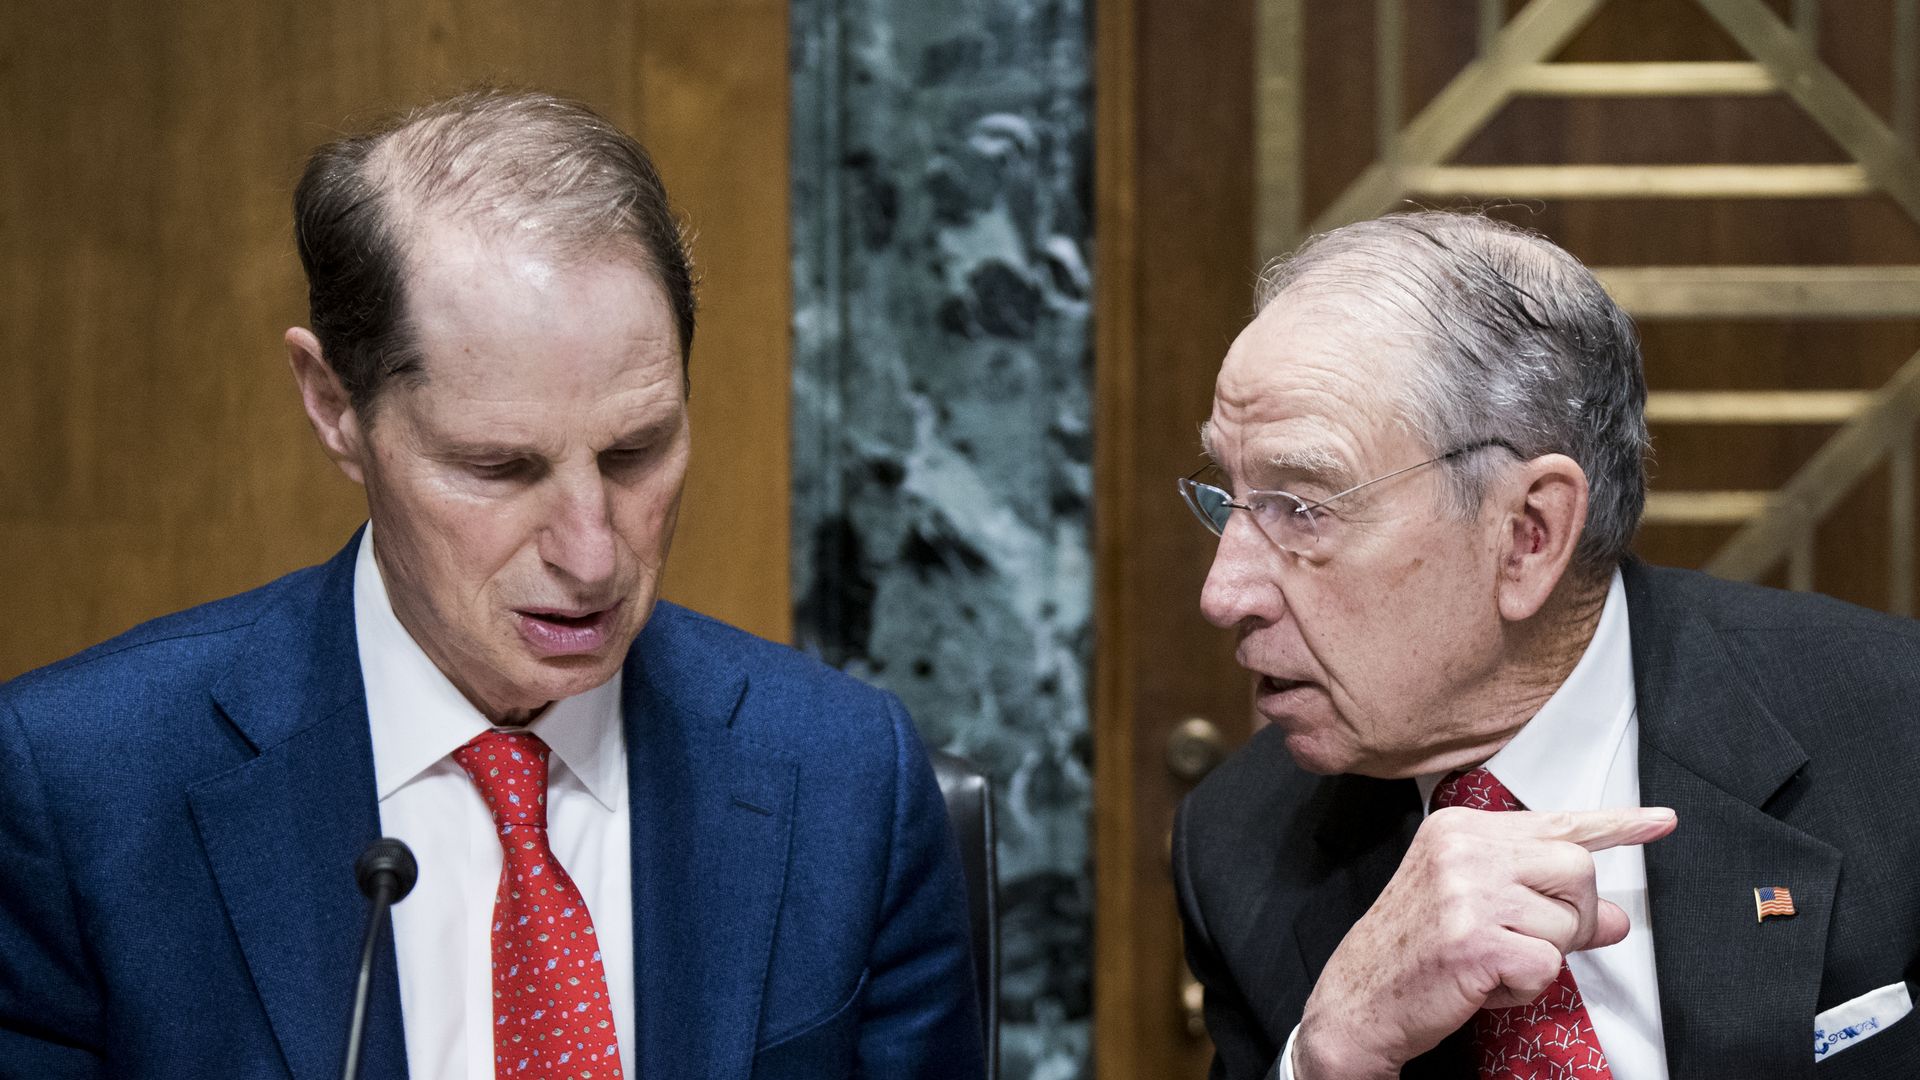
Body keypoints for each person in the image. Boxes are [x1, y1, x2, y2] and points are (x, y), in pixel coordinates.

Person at [0, 89, 983, 1079]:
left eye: (636, 452)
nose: (592, 556)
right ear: (336, 405)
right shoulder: (76, 792)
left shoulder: (851, 781)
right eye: (499, 468)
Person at [1172, 211, 1920, 1079]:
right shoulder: (1239, 849)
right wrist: (1330, 1056)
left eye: (1302, 507)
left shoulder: (1893, 736)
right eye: (1231, 499)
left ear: (1527, 534)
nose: (1223, 594)